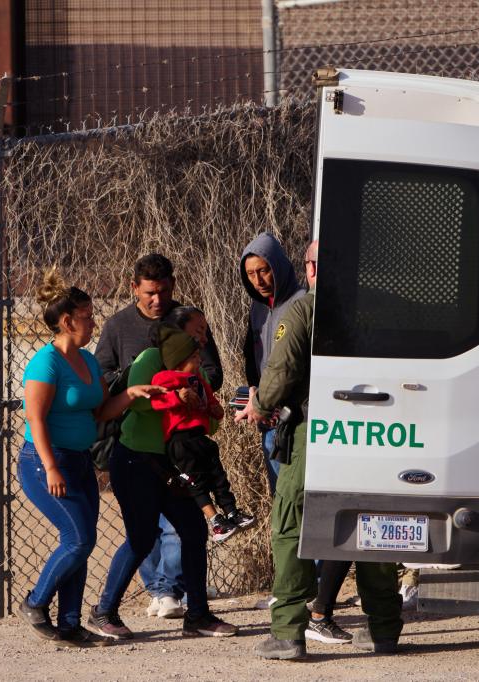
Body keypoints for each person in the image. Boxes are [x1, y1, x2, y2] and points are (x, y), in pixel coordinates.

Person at [237, 241, 404, 660]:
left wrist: (259, 405)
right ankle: (383, 628)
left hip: (318, 432)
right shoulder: (385, 308)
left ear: (310, 268)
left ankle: (288, 632)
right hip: (376, 433)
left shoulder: (304, 311)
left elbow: (279, 373)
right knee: (372, 525)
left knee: (292, 527)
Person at [16, 269, 163, 647]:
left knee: (82, 541)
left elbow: (100, 411)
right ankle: (34, 602)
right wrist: (50, 466)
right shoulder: (45, 363)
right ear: (67, 321)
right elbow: (34, 417)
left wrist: (132, 394)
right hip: (45, 461)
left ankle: (69, 625)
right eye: (87, 315)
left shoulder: (86, 360)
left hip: (80, 460)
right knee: (77, 539)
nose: (94, 321)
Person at [90, 306, 239, 639]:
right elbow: (137, 400)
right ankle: (104, 612)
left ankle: (198, 615)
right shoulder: (151, 359)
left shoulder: (192, 368)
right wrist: (175, 397)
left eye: (204, 330)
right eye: (196, 330)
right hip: (137, 460)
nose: (202, 337)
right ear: (177, 331)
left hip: (174, 464)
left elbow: (207, 424)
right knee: (142, 538)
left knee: (192, 530)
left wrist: (208, 410)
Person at [150, 326, 255, 541]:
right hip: (180, 441)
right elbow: (156, 401)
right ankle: (215, 520)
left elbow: (211, 403)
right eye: (194, 357)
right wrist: (177, 397)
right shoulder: (165, 378)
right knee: (195, 482)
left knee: (218, 476)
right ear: (179, 360)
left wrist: (215, 411)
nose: (199, 361)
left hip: (200, 437)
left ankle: (232, 512)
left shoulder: (198, 380)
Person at [239, 233, 306, 494]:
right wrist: (255, 393)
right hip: (267, 419)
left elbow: (291, 365)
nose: (258, 280)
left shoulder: (301, 303)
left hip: (295, 420)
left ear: (278, 265)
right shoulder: (257, 308)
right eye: (251, 274)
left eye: (264, 270)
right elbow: (252, 357)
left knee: (292, 497)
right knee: (279, 496)